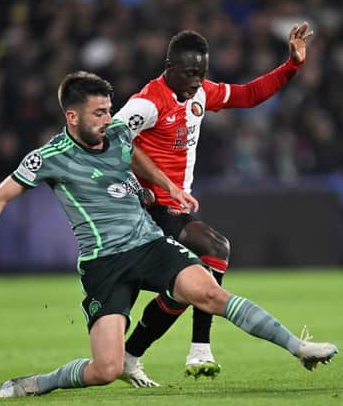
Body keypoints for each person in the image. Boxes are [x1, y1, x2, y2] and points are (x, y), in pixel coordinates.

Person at [0, 71, 338, 398]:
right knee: (106, 368)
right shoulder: (51, 158)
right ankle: (38, 383)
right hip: (104, 264)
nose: (109, 118)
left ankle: (298, 347)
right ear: (72, 117)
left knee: (210, 292)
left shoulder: (117, 133)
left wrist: (166, 185)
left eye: (108, 109)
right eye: (99, 112)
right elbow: (0, 197)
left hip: (149, 244)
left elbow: (132, 153)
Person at [114, 23, 313, 384]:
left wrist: (291, 65)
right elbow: (113, 141)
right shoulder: (146, 103)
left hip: (175, 207)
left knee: (182, 290)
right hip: (142, 211)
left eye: (201, 73)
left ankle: (131, 355)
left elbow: (250, 95)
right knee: (213, 249)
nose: (195, 81)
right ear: (169, 65)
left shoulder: (201, 93)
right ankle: (199, 348)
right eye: (189, 73)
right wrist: (150, 185)